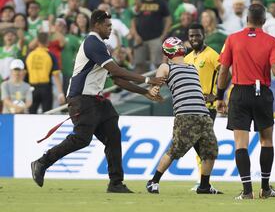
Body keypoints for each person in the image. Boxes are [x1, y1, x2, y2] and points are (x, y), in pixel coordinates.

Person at [30, 10, 165, 193]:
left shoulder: (100, 45)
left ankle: (116, 183)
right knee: (81, 139)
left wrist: (145, 92)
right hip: (82, 99)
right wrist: (148, 80)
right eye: (108, 25)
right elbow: (116, 71)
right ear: (97, 24)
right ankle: (41, 162)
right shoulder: (92, 42)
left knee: (114, 137)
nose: (110, 29)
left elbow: (117, 79)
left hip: (97, 100)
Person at [216, 4, 275, 200]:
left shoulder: (232, 39)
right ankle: (265, 189)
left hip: (239, 92)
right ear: (264, 20)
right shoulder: (271, 41)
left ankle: (247, 191)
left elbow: (224, 71)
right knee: (266, 140)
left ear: (247, 18)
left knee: (240, 144)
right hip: (261, 93)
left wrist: (219, 96)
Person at [146, 37, 222, 195]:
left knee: (210, 151)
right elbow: (156, 85)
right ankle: (153, 181)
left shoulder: (191, 67)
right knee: (176, 149)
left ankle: (204, 186)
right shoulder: (167, 67)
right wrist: (154, 90)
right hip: (185, 114)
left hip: (203, 114)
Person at [184, 23, 220, 190]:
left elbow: (226, 72)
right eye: (191, 36)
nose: (194, 39)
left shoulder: (212, 55)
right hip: (191, 106)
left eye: (197, 35)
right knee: (197, 142)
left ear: (203, 35)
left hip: (207, 107)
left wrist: (218, 95)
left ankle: (203, 181)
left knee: (200, 141)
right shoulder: (188, 58)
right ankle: (204, 181)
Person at [25, 32, 65, 113]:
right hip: (45, 88)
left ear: (37, 41)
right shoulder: (50, 55)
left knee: (31, 113)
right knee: (47, 113)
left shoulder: (30, 55)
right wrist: (60, 93)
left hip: (32, 87)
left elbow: (25, 73)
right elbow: (56, 75)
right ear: (48, 42)